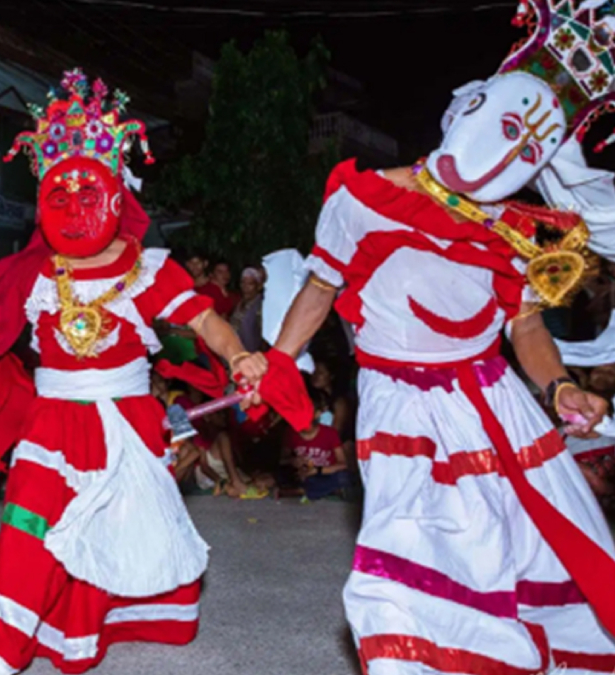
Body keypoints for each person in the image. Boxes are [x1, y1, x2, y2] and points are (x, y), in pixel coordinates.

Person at [274, 4, 615, 668]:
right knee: (404, 537)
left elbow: (523, 326)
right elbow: (320, 289)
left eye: (530, 146)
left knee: (504, 544)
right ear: (467, 108)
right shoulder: (364, 199)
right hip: (398, 400)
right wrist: (276, 360)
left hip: (493, 403)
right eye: (506, 124)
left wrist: (561, 385)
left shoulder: (521, 235)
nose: (509, 148)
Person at [0, 71, 268, 675]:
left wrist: (239, 357)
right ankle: (2, 649)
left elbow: (205, 323)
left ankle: (89, 628)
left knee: (111, 529)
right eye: (59, 199)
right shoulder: (33, 273)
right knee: (28, 518)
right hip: (50, 419)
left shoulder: (153, 270)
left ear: (118, 195)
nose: (73, 211)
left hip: (126, 419)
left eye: (87, 197)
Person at [282, 389, 349, 501]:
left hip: (323, 473)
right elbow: (282, 459)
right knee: (283, 474)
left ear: (317, 413)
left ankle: (302, 491)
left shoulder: (330, 433)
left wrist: (318, 470)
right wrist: (293, 461)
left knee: (343, 477)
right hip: (301, 475)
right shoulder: (290, 432)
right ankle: (320, 491)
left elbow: (343, 464)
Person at [230, 266, 264, 353]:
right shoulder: (239, 302)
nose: (245, 287)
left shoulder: (260, 307)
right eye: (243, 283)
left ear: (258, 286)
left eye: (250, 284)